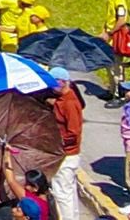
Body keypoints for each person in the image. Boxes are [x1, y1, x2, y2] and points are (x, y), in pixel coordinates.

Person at [49, 67, 84, 220]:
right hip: (65, 153)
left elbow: (73, 133)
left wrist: (57, 142)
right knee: (68, 191)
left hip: (66, 154)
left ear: (62, 82)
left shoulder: (69, 103)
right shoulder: (62, 100)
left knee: (62, 193)